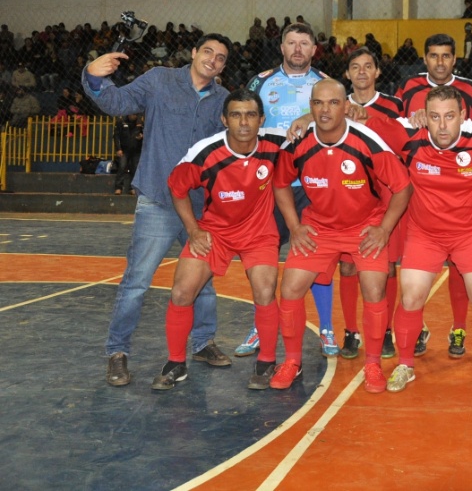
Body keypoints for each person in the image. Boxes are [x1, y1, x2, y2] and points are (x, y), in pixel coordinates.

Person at [363, 85, 472, 392]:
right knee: (411, 296)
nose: (442, 126)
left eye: (449, 117)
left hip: (471, 234)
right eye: (434, 117)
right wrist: (310, 115)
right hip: (424, 234)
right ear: (424, 117)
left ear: (463, 116)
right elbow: (355, 117)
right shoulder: (408, 134)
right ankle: (405, 364)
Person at [83, 33, 233, 387]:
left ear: (224, 66)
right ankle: (117, 353)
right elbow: (116, 102)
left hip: (199, 206)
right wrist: (93, 77)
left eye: (221, 57)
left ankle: (203, 342)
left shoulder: (224, 100)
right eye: (208, 51)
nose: (213, 59)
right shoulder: (159, 80)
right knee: (137, 282)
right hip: (157, 199)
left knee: (204, 281)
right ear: (194, 53)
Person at [269, 79, 412, 393]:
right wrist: (294, 227)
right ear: (311, 107)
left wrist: (384, 229)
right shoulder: (298, 142)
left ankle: (373, 364)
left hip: (363, 227)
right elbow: (280, 184)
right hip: (318, 228)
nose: (325, 110)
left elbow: (403, 187)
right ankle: (292, 361)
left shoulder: (366, 140)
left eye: (333, 103)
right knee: (290, 288)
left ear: (346, 107)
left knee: (375, 289)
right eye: (318, 103)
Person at [152, 90, 287, 391]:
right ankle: (176, 363)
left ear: (261, 119)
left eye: (251, 115)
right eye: (236, 115)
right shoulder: (206, 151)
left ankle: (266, 362)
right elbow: (177, 187)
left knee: (265, 292)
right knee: (181, 293)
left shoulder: (277, 143)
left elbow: (319, 132)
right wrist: (194, 230)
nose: (243, 122)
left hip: (259, 232)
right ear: (224, 119)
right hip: (216, 232)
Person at [237, 23, 335, 358]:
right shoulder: (261, 82)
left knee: (317, 257)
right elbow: (243, 122)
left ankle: (326, 328)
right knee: (263, 258)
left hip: (312, 186)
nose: (297, 48)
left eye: (304, 43)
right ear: (281, 47)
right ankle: (259, 325)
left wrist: (310, 115)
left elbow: (338, 117)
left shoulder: (324, 85)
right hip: (268, 185)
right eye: (291, 43)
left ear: (313, 49)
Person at [395, 33, 472, 357]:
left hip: (459, 190)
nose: (440, 62)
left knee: (459, 269)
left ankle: (458, 328)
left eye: (446, 56)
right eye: (434, 56)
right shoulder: (407, 89)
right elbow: (398, 130)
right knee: (415, 270)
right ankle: (418, 329)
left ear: (455, 59)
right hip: (420, 192)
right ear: (425, 58)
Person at [339, 47, 405, 360]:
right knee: (349, 263)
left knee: (387, 266)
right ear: (347, 74)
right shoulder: (336, 104)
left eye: (368, 66)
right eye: (355, 67)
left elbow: (402, 145)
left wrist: (372, 119)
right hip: (349, 193)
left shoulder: (394, 105)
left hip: (387, 192)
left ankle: (386, 329)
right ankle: (351, 330)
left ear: (378, 72)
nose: (362, 72)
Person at [113, 113, 143, 195]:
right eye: (133, 114)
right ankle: (118, 187)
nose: (135, 116)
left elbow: (144, 134)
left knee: (135, 168)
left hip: (136, 149)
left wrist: (141, 136)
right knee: (122, 167)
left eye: (136, 115)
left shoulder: (140, 123)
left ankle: (132, 187)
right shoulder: (121, 121)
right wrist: (118, 149)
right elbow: (116, 136)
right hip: (124, 149)